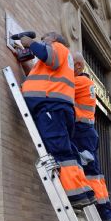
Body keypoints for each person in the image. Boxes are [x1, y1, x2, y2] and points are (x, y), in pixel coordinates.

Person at [16, 32, 95, 209]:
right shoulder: (60, 61)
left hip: (50, 106)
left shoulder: (58, 48)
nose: (43, 44)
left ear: (53, 41)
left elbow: (48, 55)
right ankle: (84, 191)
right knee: (67, 150)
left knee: (60, 151)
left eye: (45, 41)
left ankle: (75, 195)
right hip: (55, 107)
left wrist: (30, 42)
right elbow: (44, 73)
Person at [70, 52, 111, 221]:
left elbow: (57, 88)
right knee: (94, 174)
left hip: (82, 133)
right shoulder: (86, 82)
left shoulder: (79, 82)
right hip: (87, 132)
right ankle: (106, 213)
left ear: (77, 66)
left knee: (90, 173)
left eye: (69, 63)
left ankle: (103, 212)